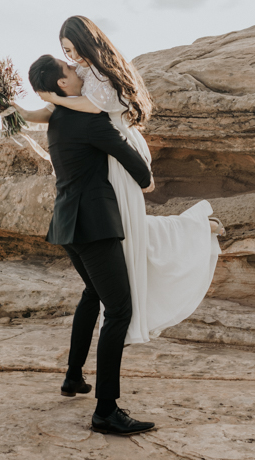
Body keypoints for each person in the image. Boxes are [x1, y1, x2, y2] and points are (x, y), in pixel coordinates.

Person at [17, 16, 222, 347]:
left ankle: (194, 232)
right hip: (104, 151)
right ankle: (189, 236)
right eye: (65, 51)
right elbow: (60, 110)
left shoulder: (104, 77)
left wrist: (53, 99)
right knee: (126, 231)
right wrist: (25, 113)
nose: (71, 58)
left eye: (72, 49)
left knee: (127, 230)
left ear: (86, 42)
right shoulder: (82, 71)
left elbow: (87, 106)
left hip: (115, 150)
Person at [25, 54, 156, 436]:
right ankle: (106, 411)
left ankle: (72, 377)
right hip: (95, 226)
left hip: (67, 225)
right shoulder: (89, 121)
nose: (76, 69)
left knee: (92, 294)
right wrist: (145, 181)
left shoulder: (60, 118)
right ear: (62, 85)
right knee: (119, 310)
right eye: (69, 70)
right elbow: (140, 169)